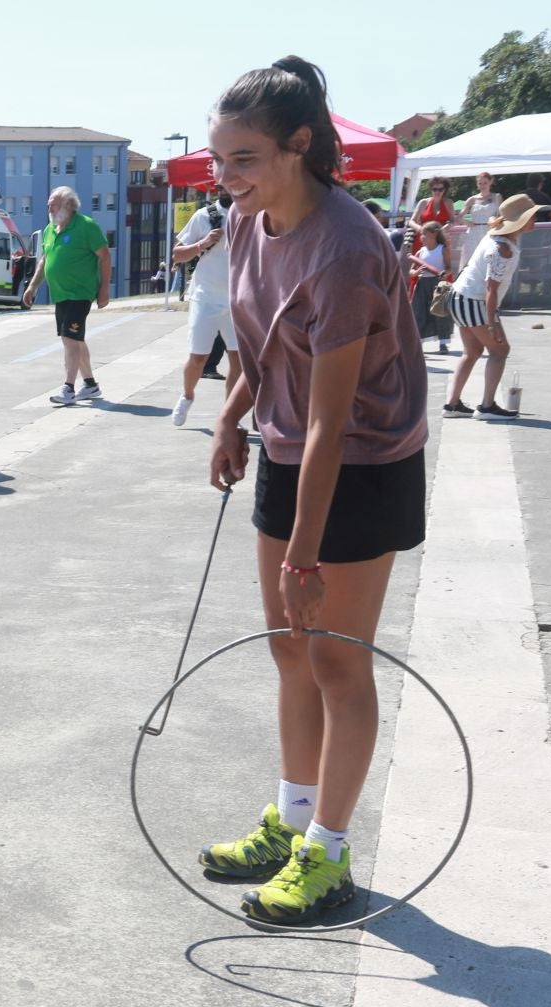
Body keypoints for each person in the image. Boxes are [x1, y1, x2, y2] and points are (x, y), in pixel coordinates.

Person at [200, 55, 429, 925]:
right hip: (290, 448)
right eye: (221, 161)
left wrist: (303, 550)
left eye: (244, 160)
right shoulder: (245, 223)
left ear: (300, 146)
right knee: (286, 648)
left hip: (364, 462)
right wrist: (230, 417)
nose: (227, 179)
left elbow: (337, 421)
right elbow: (265, 348)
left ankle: (327, 853)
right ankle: (292, 819)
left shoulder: (346, 251)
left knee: (336, 659)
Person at [444, 192, 543, 419]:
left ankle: (452, 405)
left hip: (458, 298)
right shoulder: (502, 249)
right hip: (472, 300)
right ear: (520, 221)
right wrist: (492, 324)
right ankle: (487, 407)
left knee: (472, 352)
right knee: (500, 350)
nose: (535, 220)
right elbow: (491, 289)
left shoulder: (498, 239)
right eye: (532, 217)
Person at [21, 186, 111, 404]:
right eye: (49, 204)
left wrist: (104, 290)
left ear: (69, 206)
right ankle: (90, 384)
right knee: (74, 339)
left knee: (70, 338)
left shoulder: (86, 226)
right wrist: (33, 287)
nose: (49, 207)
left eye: (54, 203)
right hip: (60, 294)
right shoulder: (51, 230)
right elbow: (45, 261)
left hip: (80, 293)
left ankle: (68, 388)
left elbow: (105, 256)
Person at [170, 186, 237, 424]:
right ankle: (187, 396)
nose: (228, 187)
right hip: (205, 296)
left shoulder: (253, 213)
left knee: (237, 359)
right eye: (223, 185)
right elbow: (177, 254)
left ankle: (231, 413)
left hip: (239, 300)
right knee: (198, 357)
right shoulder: (205, 216)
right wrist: (203, 243)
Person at [408, 221, 455, 357]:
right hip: (422, 283)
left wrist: (444, 274)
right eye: (421, 234)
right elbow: (411, 271)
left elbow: (449, 267)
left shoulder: (442, 249)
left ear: (434, 234)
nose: (421, 236)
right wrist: (416, 273)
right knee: (418, 312)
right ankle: (417, 343)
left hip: (438, 284)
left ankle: (443, 343)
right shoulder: (420, 251)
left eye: (424, 233)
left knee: (440, 312)